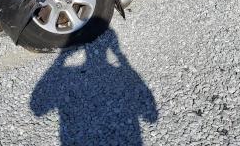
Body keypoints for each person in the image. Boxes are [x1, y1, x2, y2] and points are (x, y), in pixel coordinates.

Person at [30, 26, 158, 145]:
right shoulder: (123, 73)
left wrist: (60, 60)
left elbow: (37, 108)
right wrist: (122, 59)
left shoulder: (69, 73)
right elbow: (151, 117)